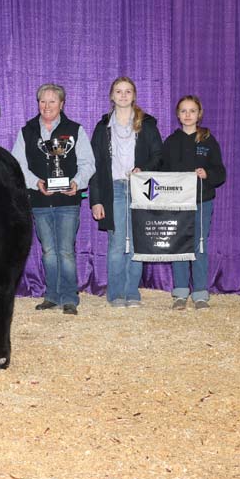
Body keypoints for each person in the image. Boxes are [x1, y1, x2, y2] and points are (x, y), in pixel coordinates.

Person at [12, 84, 95, 316]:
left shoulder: (75, 130)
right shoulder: (27, 131)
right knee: (48, 250)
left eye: (52, 101)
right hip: (39, 200)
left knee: (66, 250)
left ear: (61, 104)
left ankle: (69, 297)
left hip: (68, 201)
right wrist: (35, 182)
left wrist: (77, 182)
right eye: (42, 101)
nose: (47, 106)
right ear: (38, 103)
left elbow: (88, 163)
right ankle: (52, 295)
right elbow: (17, 163)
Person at [88, 76, 162, 307]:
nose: (123, 95)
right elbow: (95, 166)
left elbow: (159, 155)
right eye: (118, 91)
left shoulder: (147, 124)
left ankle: (132, 293)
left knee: (137, 242)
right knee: (118, 242)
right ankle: (116, 294)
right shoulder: (102, 127)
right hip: (115, 189)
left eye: (127, 91)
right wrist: (96, 200)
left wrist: (144, 169)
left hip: (140, 188)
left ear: (134, 95)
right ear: (112, 96)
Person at [162, 95, 226, 310]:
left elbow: (220, 171)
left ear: (199, 114)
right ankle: (180, 292)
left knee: (199, 245)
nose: (187, 115)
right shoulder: (171, 141)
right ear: (178, 115)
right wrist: (141, 171)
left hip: (201, 201)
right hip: (177, 202)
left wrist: (207, 173)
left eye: (192, 111)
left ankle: (200, 293)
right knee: (179, 246)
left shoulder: (208, 140)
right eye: (183, 111)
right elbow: (160, 168)